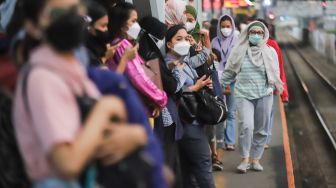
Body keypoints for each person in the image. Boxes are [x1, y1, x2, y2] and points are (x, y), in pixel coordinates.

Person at [13, 0, 148, 187]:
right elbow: (67, 163)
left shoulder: (72, 69)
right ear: (32, 26)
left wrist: (136, 135)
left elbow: (94, 135)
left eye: (76, 11)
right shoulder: (42, 78)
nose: (71, 19)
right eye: (58, 14)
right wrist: (105, 109)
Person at [220, 21, 283, 173]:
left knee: (261, 129)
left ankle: (256, 159)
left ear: (264, 34)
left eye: (259, 33)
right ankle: (244, 159)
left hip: (264, 94)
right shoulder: (239, 50)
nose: (256, 35)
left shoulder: (270, 51)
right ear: (247, 34)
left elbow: (276, 73)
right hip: (243, 94)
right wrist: (219, 86)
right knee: (247, 126)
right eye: (253, 32)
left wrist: (276, 87)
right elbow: (229, 71)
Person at [165, 25, 215, 188]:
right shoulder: (170, 64)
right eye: (179, 39)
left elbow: (202, 58)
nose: (184, 42)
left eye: (186, 38)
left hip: (191, 117)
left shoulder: (183, 60)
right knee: (203, 161)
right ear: (169, 45)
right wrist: (196, 87)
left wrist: (203, 42)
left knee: (188, 168)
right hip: (186, 121)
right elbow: (174, 89)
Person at [107, 2, 167, 117]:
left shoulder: (114, 44)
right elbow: (138, 77)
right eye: (133, 21)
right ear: (122, 25)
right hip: (134, 109)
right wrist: (160, 98)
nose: (137, 25)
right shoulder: (124, 45)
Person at [257, 18, 289, 148]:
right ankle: (258, 137)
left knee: (268, 113)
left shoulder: (272, 45)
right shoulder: (247, 45)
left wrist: (283, 91)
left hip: (269, 87)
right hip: (252, 86)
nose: (257, 34)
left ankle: (265, 139)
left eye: (260, 31)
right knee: (257, 114)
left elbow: (279, 68)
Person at [211, 15, 238, 156]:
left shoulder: (237, 41)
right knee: (220, 110)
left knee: (231, 112)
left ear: (232, 26)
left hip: (233, 80)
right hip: (218, 80)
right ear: (219, 27)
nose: (226, 29)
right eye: (223, 26)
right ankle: (219, 140)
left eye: (228, 26)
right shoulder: (214, 41)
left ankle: (230, 141)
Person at [85, 1, 137, 68]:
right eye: (103, 26)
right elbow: (105, 77)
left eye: (107, 25)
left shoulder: (103, 45)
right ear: (89, 27)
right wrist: (124, 58)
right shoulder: (86, 52)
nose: (107, 29)